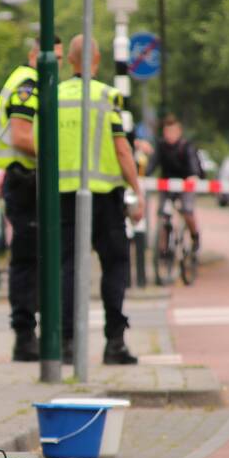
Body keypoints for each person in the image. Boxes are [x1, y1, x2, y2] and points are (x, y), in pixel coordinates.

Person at [57, 35, 145, 365]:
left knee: (67, 266)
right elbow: (122, 149)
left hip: (64, 195)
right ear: (97, 60)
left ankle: (66, 344)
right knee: (115, 265)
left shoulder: (53, 96)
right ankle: (114, 343)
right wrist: (136, 190)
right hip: (105, 196)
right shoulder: (108, 97)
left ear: (70, 61)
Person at [0, 36, 64, 362]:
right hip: (25, 181)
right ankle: (24, 336)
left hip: (28, 180)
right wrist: (58, 156)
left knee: (36, 259)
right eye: (52, 57)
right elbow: (21, 136)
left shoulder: (31, 81)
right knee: (28, 261)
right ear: (34, 55)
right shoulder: (28, 84)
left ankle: (32, 334)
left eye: (61, 58)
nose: (57, 64)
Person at [146, 114, 202, 271]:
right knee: (163, 215)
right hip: (167, 186)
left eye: (172, 131)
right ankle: (163, 249)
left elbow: (193, 165)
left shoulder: (186, 146)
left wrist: (193, 176)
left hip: (185, 185)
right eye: (167, 131)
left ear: (179, 132)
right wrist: (144, 175)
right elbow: (152, 164)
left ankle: (195, 236)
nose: (169, 135)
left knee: (187, 210)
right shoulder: (161, 146)